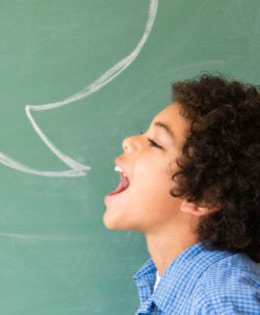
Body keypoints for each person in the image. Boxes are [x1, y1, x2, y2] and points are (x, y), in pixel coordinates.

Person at [103, 74, 260, 314]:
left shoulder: (221, 298)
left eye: (155, 142)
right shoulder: (173, 285)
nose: (129, 141)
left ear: (204, 197)